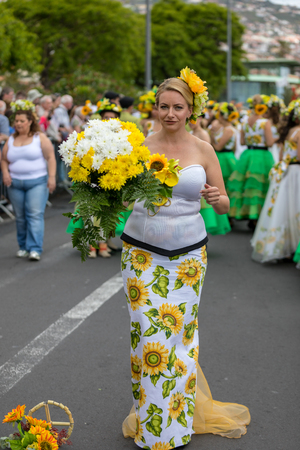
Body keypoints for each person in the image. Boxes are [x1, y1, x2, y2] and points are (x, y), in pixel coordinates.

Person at [120, 69, 250, 449]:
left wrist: (216, 200)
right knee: (146, 339)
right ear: (155, 108)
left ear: (190, 110)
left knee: (179, 340)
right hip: (141, 254)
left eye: (178, 107)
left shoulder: (203, 148)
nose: (171, 113)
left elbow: (226, 205)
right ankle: (149, 421)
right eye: (164, 106)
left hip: (189, 259)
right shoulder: (139, 147)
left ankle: (175, 425)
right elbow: (124, 199)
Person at [0, 100, 56, 261]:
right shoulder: (11, 139)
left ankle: (35, 248)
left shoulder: (40, 138)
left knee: (34, 214)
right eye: (16, 121)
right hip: (15, 183)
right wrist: (5, 173)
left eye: (21, 121)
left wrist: (51, 177)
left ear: (30, 122)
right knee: (20, 216)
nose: (18, 124)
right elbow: (4, 159)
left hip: (37, 182)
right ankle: (23, 246)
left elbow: (51, 157)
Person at [251, 99, 300, 263]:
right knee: (295, 209)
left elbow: (280, 156)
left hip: (285, 171)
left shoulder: (289, 130)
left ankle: (283, 247)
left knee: (283, 209)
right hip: (296, 172)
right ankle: (293, 247)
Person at [227, 94, 275, 229]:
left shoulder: (245, 121)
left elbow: (242, 141)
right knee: (259, 186)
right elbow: (270, 142)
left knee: (243, 185)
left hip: (247, 154)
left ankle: (235, 214)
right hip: (262, 155)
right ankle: (255, 217)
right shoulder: (265, 122)